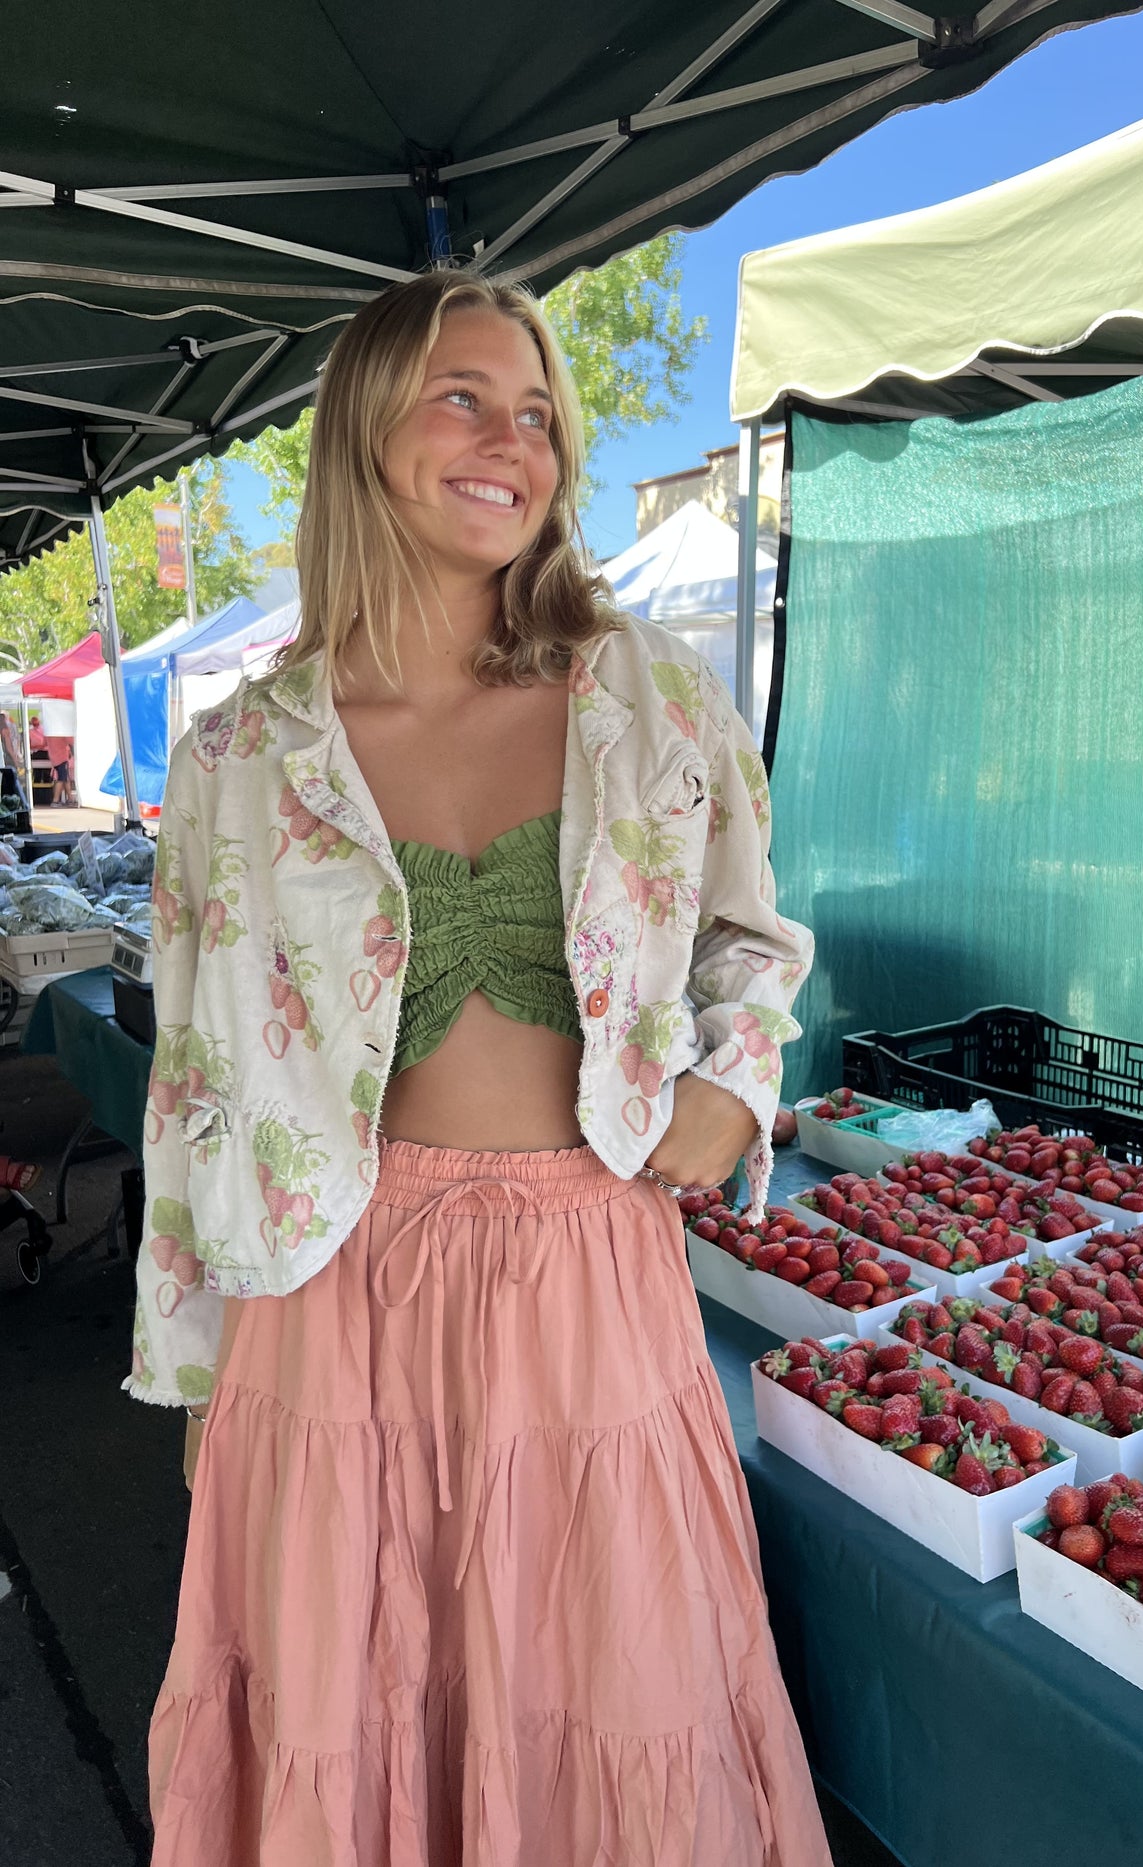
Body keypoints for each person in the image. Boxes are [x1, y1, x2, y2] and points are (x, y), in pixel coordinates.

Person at [124, 269, 829, 1866]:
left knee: (606, 1696)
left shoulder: (653, 699)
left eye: (538, 415)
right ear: (367, 425)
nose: (512, 440)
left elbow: (753, 941)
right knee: (346, 1704)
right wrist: (193, 1358)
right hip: (325, 1291)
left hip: (589, 1272)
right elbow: (196, 1074)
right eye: (464, 397)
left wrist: (736, 1081)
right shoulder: (242, 752)